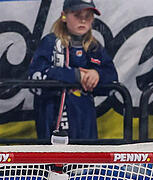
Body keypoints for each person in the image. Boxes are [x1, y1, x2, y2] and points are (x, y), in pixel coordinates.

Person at [27, 0, 117, 142]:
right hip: (53, 120)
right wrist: (75, 76)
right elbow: (34, 77)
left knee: (87, 163)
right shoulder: (50, 43)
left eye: (88, 16)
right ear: (64, 16)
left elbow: (113, 79)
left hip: (85, 124)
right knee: (54, 162)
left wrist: (97, 75)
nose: (83, 20)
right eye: (77, 15)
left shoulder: (94, 47)